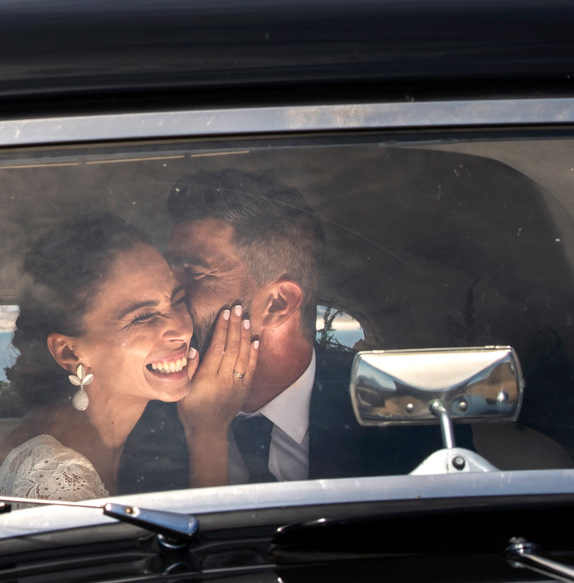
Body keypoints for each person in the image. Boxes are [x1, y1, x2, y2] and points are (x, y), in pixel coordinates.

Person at [118, 169, 463, 492]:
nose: (168, 293)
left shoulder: (408, 417)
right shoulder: (141, 422)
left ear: (278, 304)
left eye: (194, 272)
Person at [0, 214, 257, 500]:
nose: (181, 329)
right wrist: (208, 433)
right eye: (143, 317)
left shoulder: (102, 437)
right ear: (70, 352)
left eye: (178, 301)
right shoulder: (55, 476)